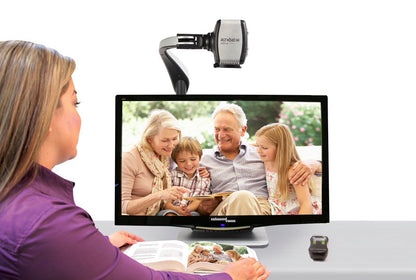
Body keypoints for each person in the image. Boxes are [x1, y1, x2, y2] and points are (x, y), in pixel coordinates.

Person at [0, 40, 270, 280]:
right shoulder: (48, 222)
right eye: (75, 103)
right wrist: (230, 275)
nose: (79, 116)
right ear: (43, 117)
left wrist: (91, 246)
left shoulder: (21, 201)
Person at [199, 103, 321, 216]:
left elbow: (287, 156)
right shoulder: (203, 161)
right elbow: (192, 196)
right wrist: (201, 207)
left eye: (226, 129)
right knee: (242, 197)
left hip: (261, 207)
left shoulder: (263, 154)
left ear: (243, 130)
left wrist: (314, 164)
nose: (220, 135)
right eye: (217, 129)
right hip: (223, 208)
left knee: (244, 198)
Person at [121, 109, 189, 216]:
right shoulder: (129, 158)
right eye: (165, 140)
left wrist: (203, 171)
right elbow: (123, 207)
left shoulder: (166, 156)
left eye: (174, 139)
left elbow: (188, 162)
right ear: (149, 139)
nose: (171, 145)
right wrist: (160, 195)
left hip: (158, 217)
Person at [255, 123, 322, 215]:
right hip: (277, 210)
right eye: (257, 145)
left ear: (280, 149)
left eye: (264, 147)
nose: (258, 150)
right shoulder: (267, 161)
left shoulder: (293, 171)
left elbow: (306, 204)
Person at [161, 137, 211, 216]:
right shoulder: (171, 176)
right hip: (171, 209)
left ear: (200, 157)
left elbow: (197, 201)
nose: (188, 164)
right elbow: (166, 203)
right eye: (182, 161)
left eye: (193, 159)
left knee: (194, 216)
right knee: (169, 215)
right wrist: (177, 210)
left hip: (191, 210)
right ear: (175, 161)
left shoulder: (204, 179)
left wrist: (186, 210)